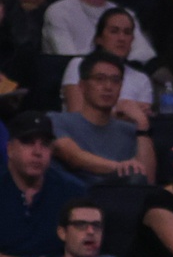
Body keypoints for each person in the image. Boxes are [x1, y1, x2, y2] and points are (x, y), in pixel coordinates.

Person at [0, 113, 88, 257]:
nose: (37, 152)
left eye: (45, 145)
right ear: (10, 149)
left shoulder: (73, 191)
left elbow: (85, 246)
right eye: (28, 143)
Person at [50, 53, 154, 183]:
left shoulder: (131, 131)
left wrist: (142, 125)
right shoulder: (57, 120)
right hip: (75, 198)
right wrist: (120, 168)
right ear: (82, 86)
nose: (108, 87)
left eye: (115, 80)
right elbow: (73, 156)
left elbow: (148, 181)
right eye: (100, 79)